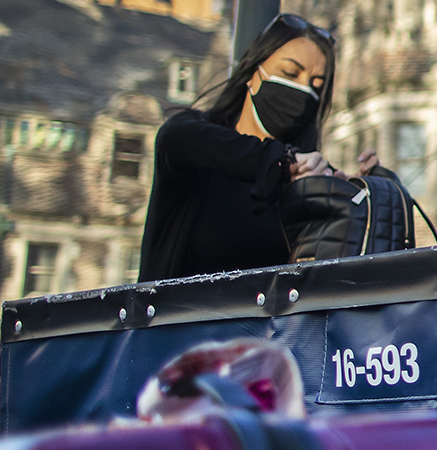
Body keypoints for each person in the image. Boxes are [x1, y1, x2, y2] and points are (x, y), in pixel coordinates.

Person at [138, 15, 341, 282]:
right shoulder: (194, 136)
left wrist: (360, 188)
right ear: (253, 73)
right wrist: (279, 161)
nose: (302, 91)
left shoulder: (304, 178)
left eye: (316, 85)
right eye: (290, 73)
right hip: (179, 322)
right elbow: (174, 136)